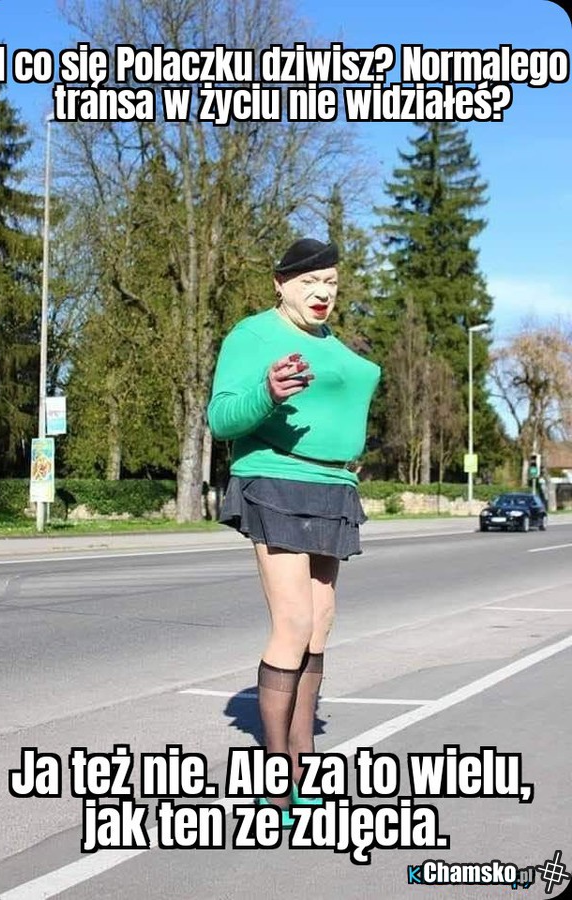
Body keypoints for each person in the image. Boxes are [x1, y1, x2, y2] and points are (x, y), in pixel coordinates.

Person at [207, 237, 381, 826]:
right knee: (294, 622)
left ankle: (303, 763)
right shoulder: (253, 335)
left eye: (330, 281)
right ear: (280, 284)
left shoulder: (332, 344)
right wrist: (267, 392)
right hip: (277, 479)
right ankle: (275, 779)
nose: (323, 292)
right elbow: (221, 418)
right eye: (310, 282)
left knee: (321, 622)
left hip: (334, 485)